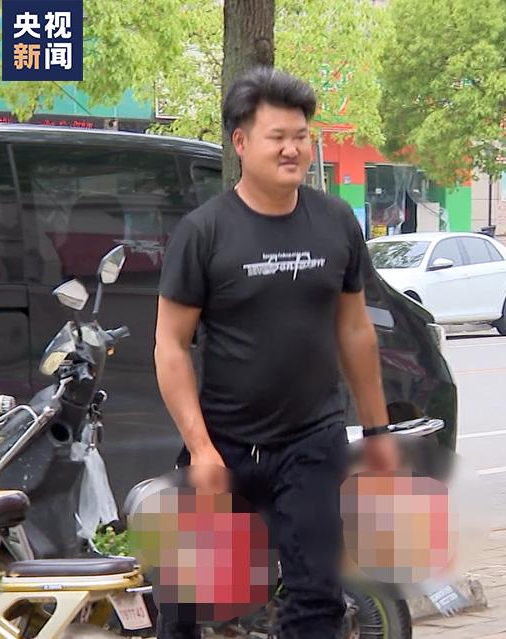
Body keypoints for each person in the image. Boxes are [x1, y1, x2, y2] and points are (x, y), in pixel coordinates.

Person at [153, 66, 399, 639]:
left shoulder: (335, 222)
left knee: (317, 595)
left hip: (312, 441)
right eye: (277, 137)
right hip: (224, 444)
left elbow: (355, 331)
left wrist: (378, 431)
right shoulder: (204, 232)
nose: (292, 149)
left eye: (301, 136)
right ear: (241, 142)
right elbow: (170, 345)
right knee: (185, 603)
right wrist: (201, 449)